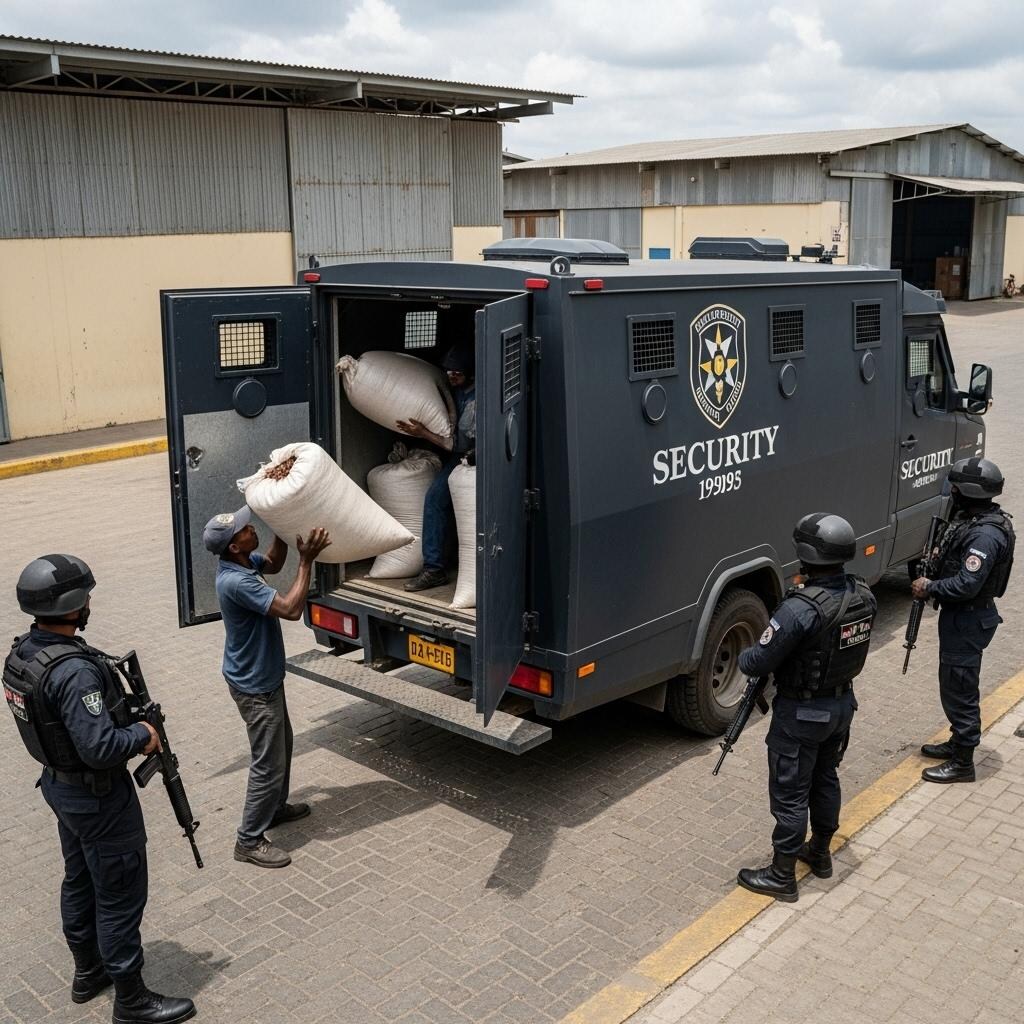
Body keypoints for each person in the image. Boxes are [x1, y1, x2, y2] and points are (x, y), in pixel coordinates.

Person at [3, 554, 196, 1023]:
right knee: (119, 893)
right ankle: (131, 1000)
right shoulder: (75, 671)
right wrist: (143, 736)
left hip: (61, 789)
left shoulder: (25, 653)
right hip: (97, 797)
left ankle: (88, 972)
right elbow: (100, 746)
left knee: (81, 879)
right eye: (85, 595)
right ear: (71, 604)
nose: (90, 602)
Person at [734, 514, 877, 902]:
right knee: (825, 778)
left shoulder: (800, 609)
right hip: (842, 706)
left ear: (806, 556)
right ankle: (820, 853)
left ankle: (782, 876)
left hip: (801, 715)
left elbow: (757, 661)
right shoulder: (863, 593)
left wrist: (749, 655)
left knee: (790, 793)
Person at [204, 506, 331, 868]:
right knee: (267, 763)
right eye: (246, 530)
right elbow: (291, 609)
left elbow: (273, 563)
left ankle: (274, 809)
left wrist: (282, 525)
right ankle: (248, 840)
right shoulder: (236, 581)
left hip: (263, 677)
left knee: (283, 746)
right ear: (233, 547)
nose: (251, 529)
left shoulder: (244, 563)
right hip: (254, 686)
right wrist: (307, 561)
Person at [911, 457, 1014, 784]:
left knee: (960, 689)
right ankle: (958, 742)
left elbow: (967, 584)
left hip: (968, 621)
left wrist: (929, 587)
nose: (952, 493)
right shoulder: (974, 519)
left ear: (967, 493)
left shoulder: (985, 535)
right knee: (953, 684)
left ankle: (963, 762)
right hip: (962, 619)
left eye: (956, 488)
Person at [398, 344, 476, 592]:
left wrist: (422, 432)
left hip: (472, 456)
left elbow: (455, 445)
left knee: (438, 499)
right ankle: (436, 565)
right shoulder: (455, 388)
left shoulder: (474, 403)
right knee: (436, 501)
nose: (451, 377)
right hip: (460, 454)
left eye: (458, 374)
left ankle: (435, 568)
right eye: (449, 371)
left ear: (471, 374)